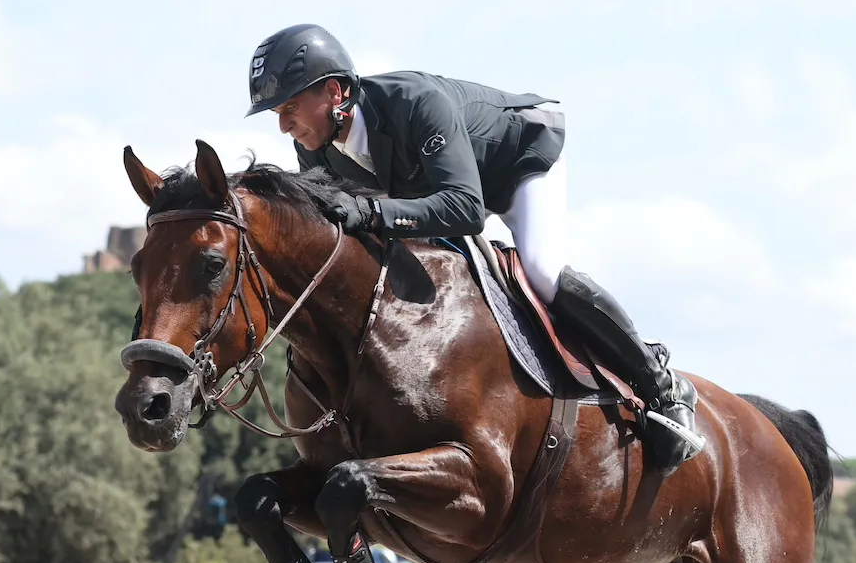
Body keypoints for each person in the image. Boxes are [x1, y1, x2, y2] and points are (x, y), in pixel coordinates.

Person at [245, 24, 704, 469]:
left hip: (517, 159)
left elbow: (465, 208)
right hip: (432, 187)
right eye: (276, 114)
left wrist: (372, 215)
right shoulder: (316, 144)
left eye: (290, 107)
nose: (284, 126)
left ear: (335, 93)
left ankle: (661, 383)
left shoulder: (414, 103)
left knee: (541, 273)